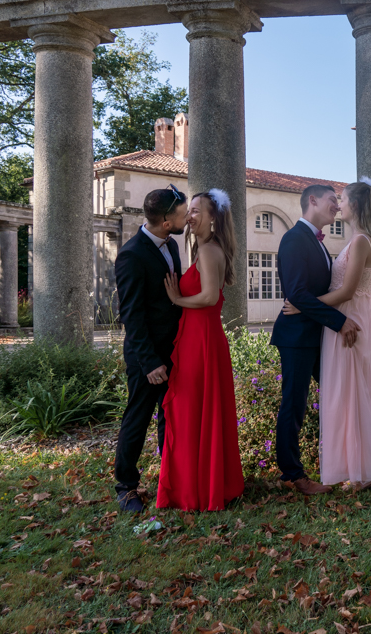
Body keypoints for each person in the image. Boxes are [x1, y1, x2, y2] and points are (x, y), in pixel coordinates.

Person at [283, 178, 371, 490]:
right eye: (334, 199)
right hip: (338, 319)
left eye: (341, 199)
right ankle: (357, 467)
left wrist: (304, 306)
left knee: (350, 392)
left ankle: (361, 469)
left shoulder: (359, 242)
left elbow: (345, 291)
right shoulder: (353, 239)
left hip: (348, 318)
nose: (338, 204)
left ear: (354, 205)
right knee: (347, 392)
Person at [156, 189, 245, 511]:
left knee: (190, 412)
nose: (189, 216)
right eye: (189, 210)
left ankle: (196, 488)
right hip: (202, 337)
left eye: (196, 211)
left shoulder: (208, 250)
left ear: (213, 218)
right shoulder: (207, 249)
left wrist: (177, 299)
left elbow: (209, 297)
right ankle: (202, 483)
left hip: (201, 340)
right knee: (194, 411)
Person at [270, 184, 361, 495]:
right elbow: (296, 293)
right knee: (294, 405)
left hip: (317, 334)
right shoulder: (294, 239)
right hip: (297, 336)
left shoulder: (316, 241)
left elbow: (314, 292)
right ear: (312, 200)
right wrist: (339, 321)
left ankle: (350, 462)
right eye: (332, 199)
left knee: (340, 395)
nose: (336, 205)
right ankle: (292, 475)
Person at [112, 185, 187, 513]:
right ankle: (126, 487)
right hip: (146, 357)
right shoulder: (131, 255)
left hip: (173, 350)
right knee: (138, 417)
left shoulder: (172, 244)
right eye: (183, 214)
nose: (188, 218)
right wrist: (150, 361)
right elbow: (132, 315)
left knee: (170, 417)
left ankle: (169, 479)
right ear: (167, 222)